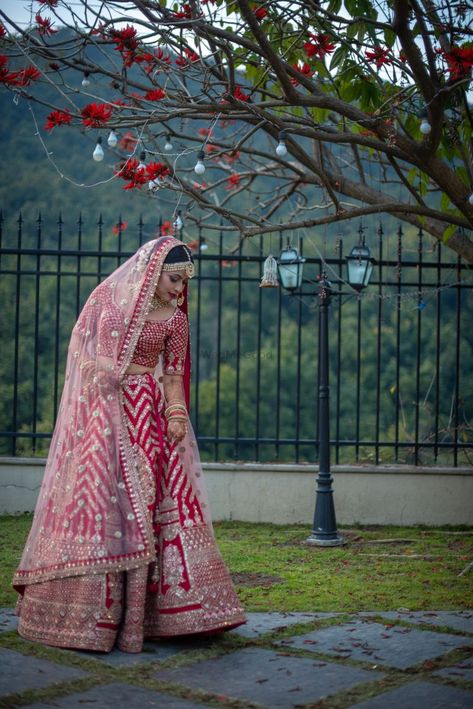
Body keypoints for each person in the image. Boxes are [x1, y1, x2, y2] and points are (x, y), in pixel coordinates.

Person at [13, 235, 245, 653]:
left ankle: (153, 620)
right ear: (154, 272)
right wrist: (112, 378)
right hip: (107, 414)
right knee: (109, 505)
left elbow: (173, 376)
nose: (180, 290)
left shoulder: (175, 319)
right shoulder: (109, 302)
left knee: (152, 505)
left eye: (183, 283)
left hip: (151, 417)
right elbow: (87, 358)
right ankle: (95, 621)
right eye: (174, 279)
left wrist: (175, 413)